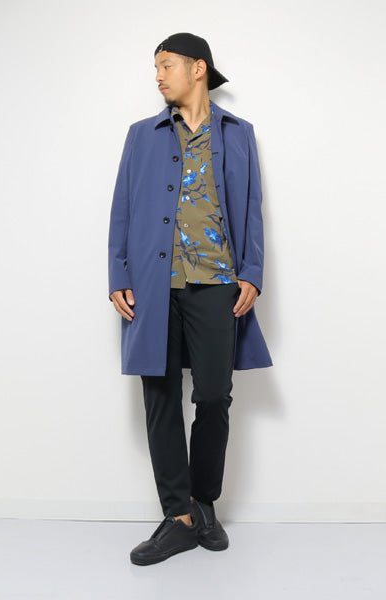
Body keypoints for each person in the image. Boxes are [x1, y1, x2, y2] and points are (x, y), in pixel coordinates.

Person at [108, 32, 273, 566]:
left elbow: (251, 209)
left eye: (166, 65)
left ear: (197, 68)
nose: (158, 76)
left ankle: (203, 503)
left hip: (217, 282)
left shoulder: (239, 134)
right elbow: (122, 207)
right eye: (156, 67)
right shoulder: (142, 135)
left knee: (214, 396)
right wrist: (119, 273)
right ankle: (177, 516)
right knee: (159, 395)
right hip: (156, 283)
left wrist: (252, 272)